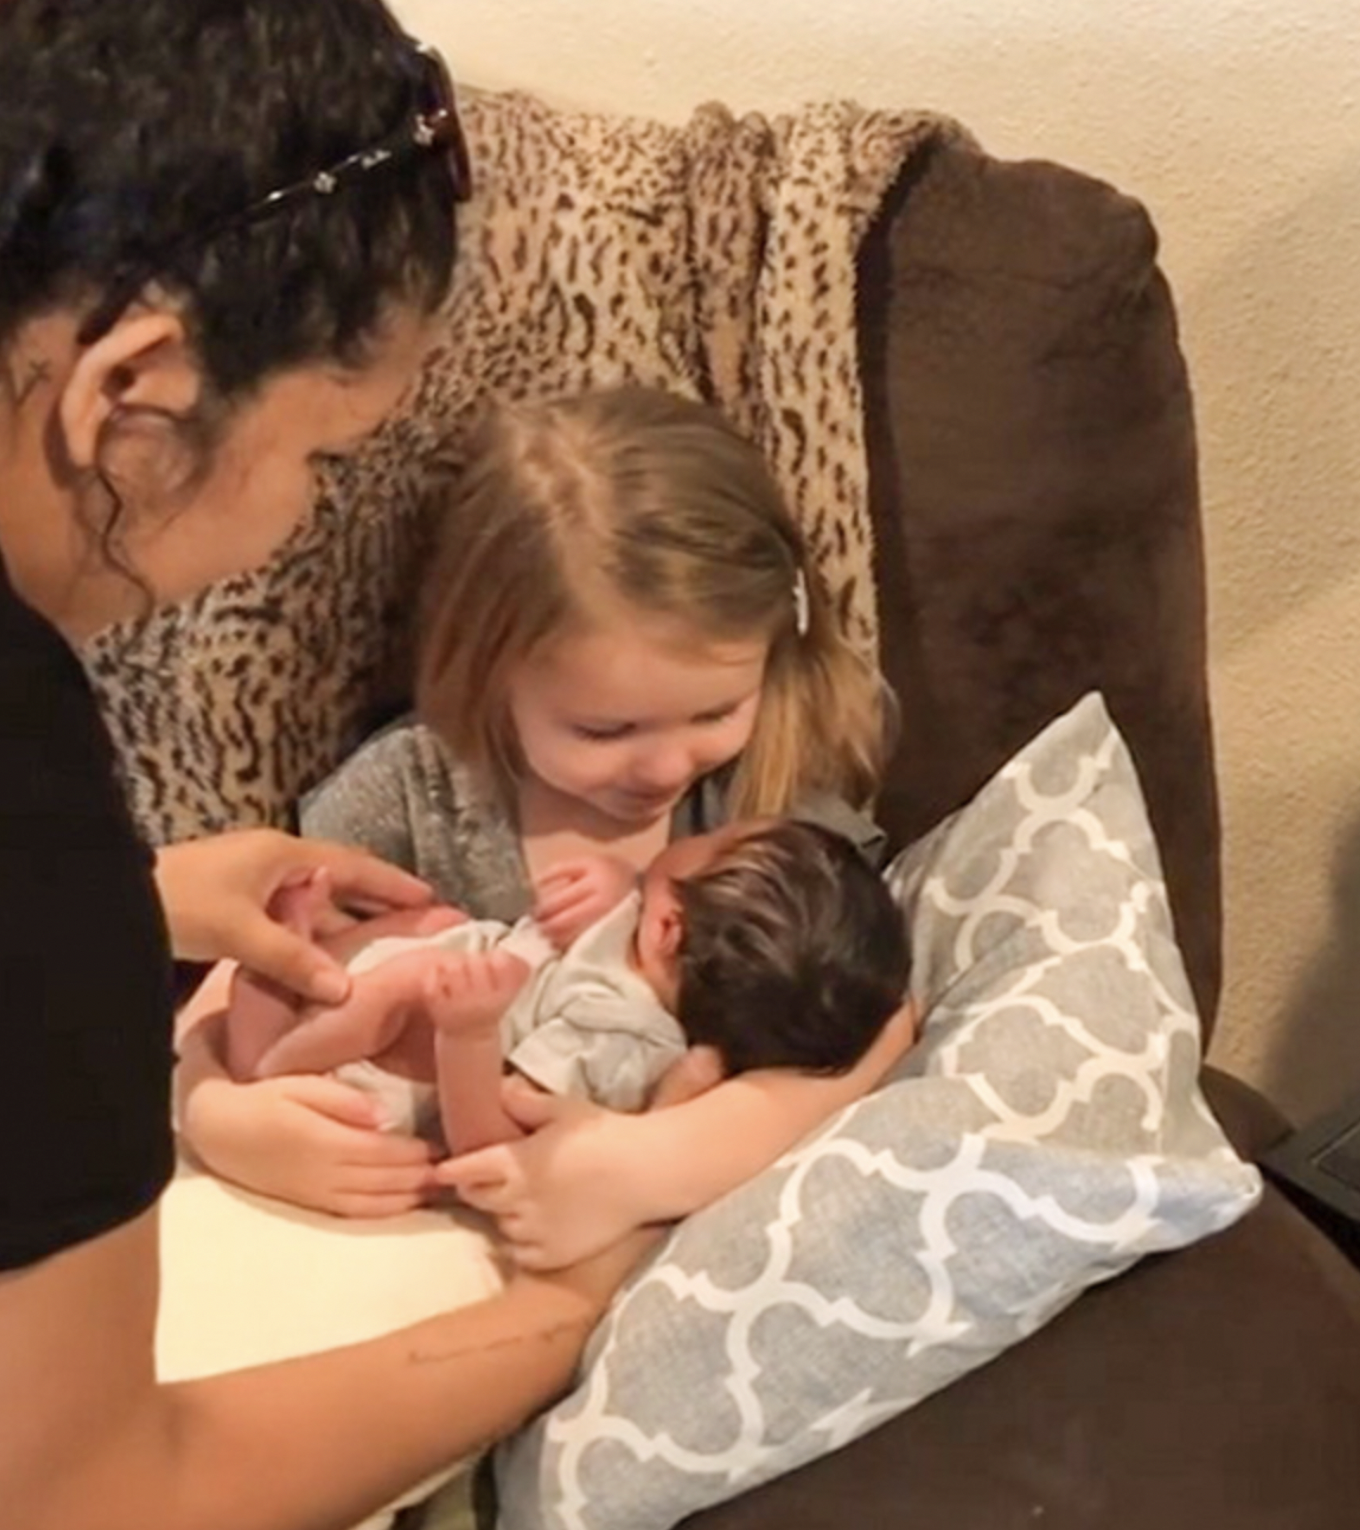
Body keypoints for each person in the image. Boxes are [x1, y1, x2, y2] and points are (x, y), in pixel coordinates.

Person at [0, 6, 659, 1530]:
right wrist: (571, 1311)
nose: (302, 520)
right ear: (135, 392)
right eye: (326, 461)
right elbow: (84, 1496)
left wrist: (149, 899)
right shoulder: (36, 832)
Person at [177, 385, 919, 1263]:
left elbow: (881, 1021)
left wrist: (649, 1165)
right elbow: (253, 960)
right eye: (604, 730)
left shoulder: (765, 804)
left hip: (592, 1245)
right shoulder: (414, 796)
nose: (667, 767)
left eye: (716, 708)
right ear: (491, 671)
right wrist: (213, 1111)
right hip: (390, 1213)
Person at [210, 820, 914, 1157]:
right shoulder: (651, 940)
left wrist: (470, 1033)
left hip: (397, 1082)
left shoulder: (618, 1038)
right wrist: (614, 881)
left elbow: (492, 1140)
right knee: (441, 921)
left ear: (668, 928)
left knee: (412, 979)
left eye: (712, 839)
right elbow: (590, 918)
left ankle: (268, 1056)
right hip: (438, 984)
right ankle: (305, 968)